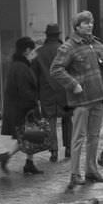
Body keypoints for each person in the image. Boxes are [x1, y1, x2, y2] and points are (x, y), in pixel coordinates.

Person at [50, 10, 103, 190]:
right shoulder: (68, 46)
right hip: (81, 100)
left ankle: (91, 170)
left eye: (91, 22)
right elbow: (56, 69)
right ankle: (75, 174)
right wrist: (74, 84)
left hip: (98, 97)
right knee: (78, 137)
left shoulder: (96, 44)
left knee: (94, 136)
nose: (90, 25)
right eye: (85, 23)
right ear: (77, 26)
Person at [0, 36, 42, 175]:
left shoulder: (19, 65)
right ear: (27, 50)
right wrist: (32, 106)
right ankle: (9, 157)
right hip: (24, 109)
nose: (35, 53)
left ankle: (29, 163)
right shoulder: (21, 67)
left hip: (20, 108)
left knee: (30, 136)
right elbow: (24, 90)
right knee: (27, 136)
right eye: (33, 50)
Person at [32, 23, 71, 161]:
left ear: (47, 35)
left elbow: (34, 75)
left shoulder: (39, 52)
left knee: (51, 122)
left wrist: (36, 95)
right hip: (65, 91)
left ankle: (53, 151)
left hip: (46, 92)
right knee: (68, 120)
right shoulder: (65, 50)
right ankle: (69, 149)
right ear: (58, 35)